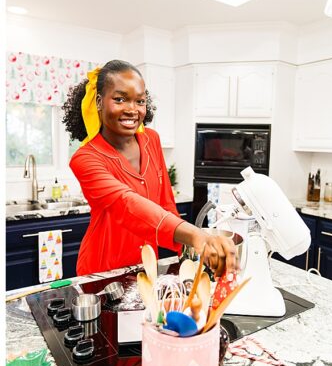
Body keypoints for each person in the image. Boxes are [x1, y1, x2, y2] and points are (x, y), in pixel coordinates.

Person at [61, 60, 237, 276]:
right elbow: (126, 203)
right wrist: (196, 235)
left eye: (140, 101)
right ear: (99, 102)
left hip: (147, 265)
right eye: (119, 99)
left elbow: (166, 204)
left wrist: (191, 250)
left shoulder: (151, 140)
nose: (132, 110)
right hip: (103, 269)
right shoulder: (86, 158)